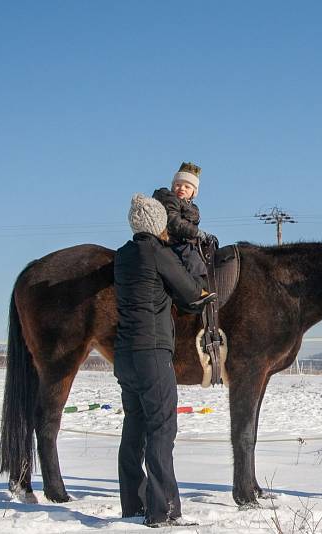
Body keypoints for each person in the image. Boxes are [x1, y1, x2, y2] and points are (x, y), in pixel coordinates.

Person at [113, 193, 215, 527]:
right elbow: (188, 292)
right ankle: (164, 510)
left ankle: (132, 504)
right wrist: (204, 294)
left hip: (125, 354)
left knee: (134, 427)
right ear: (159, 225)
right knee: (162, 428)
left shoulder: (123, 256)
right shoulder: (157, 253)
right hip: (153, 352)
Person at [152, 162, 218, 286]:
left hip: (183, 239)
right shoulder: (170, 200)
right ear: (173, 186)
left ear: (194, 192)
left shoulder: (192, 207)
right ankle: (196, 288)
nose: (181, 188)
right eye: (178, 185)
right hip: (170, 239)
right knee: (192, 260)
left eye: (187, 187)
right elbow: (174, 222)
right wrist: (197, 233)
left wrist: (203, 236)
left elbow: (189, 227)